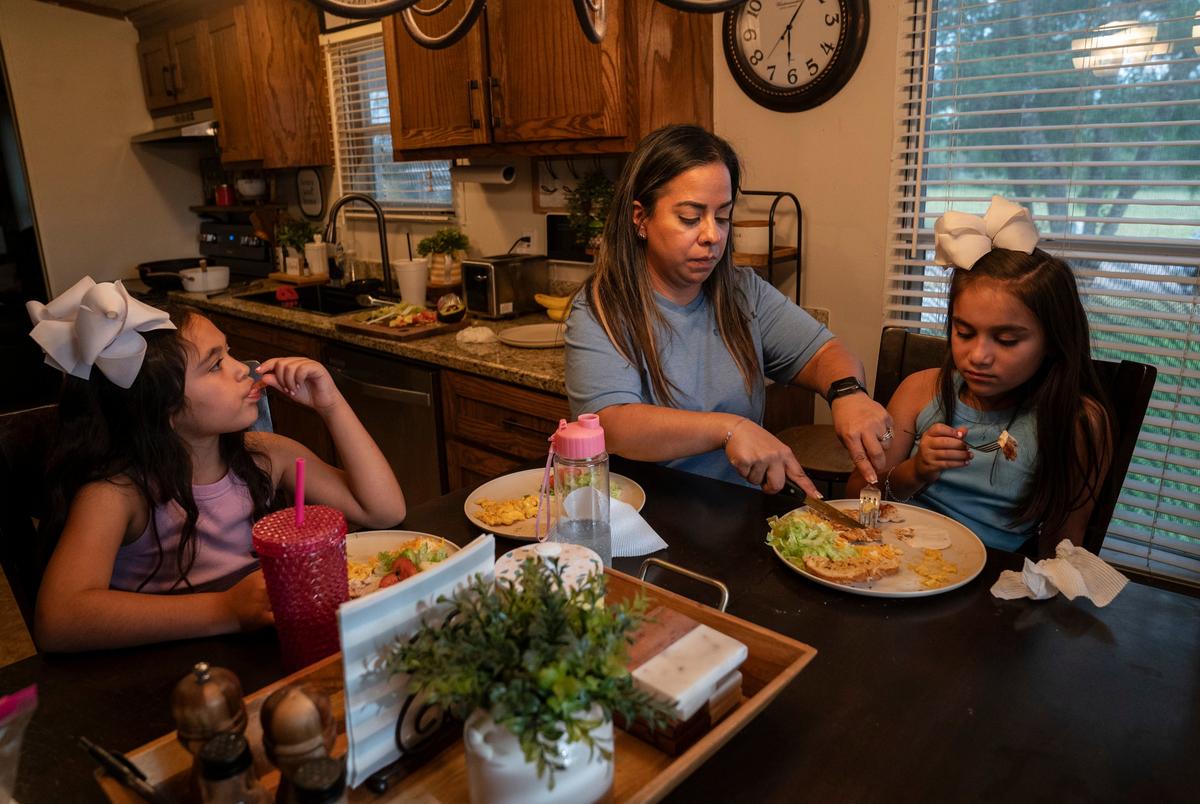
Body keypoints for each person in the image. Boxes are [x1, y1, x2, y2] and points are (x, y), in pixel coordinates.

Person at [28, 278, 406, 652]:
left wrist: (331, 404)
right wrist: (225, 609)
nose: (243, 368)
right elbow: (58, 620)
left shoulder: (267, 456)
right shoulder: (118, 494)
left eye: (229, 352)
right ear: (163, 409)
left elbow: (383, 510)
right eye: (215, 365)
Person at [565, 124, 891, 495]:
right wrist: (729, 429)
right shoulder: (601, 307)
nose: (712, 235)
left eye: (722, 217)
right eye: (690, 217)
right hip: (648, 517)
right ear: (641, 217)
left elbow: (822, 351)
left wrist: (848, 392)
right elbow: (612, 424)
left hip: (738, 512)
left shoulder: (742, 292)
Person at [846, 197, 1112, 555]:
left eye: (1006, 340)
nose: (978, 357)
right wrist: (917, 470)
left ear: (1053, 340)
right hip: (886, 558)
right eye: (965, 332)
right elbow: (855, 501)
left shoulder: (1075, 422)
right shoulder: (920, 391)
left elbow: (1063, 549)